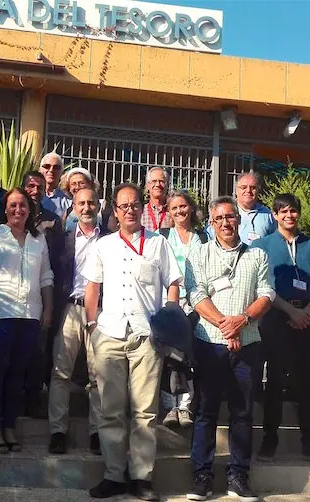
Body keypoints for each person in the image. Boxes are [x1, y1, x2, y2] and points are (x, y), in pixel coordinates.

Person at [83, 183, 182, 501]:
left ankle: (141, 477)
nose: (130, 210)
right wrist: (92, 324)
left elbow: (173, 283)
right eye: (123, 206)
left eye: (135, 204)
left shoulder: (158, 244)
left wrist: (169, 317)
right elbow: (92, 288)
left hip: (146, 337)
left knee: (145, 413)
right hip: (110, 334)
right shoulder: (104, 245)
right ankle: (114, 475)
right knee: (110, 411)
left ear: (142, 208)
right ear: (115, 211)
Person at [184, 195, 274, 502]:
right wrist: (227, 324)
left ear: (238, 219)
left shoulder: (257, 255)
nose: (225, 223)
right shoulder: (200, 253)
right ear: (211, 223)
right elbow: (196, 294)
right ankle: (201, 476)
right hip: (210, 343)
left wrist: (244, 320)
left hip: (247, 345)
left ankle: (238, 475)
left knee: (243, 412)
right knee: (206, 411)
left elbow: (267, 294)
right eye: (219, 218)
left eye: (230, 217)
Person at [254, 194, 310, 465]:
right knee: (275, 381)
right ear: (275, 215)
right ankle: (269, 441)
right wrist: (291, 312)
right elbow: (262, 286)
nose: (289, 215)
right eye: (284, 211)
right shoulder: (261, 246)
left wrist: (307, 313)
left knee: (308, 382)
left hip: (307, 319)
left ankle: (309, 442)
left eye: (294, 211)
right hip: (275, 318)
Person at [0, 188, 55, 454]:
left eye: (22, 205)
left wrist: (47, 310)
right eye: (12, 205)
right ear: (5, 208)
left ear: (30, 210)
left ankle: (9, 426)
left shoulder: (38, 240)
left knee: (18, 373)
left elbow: (46, 277)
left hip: (29, 315)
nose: (17, 210)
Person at [47, 188, 107, 455]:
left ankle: (97, 432)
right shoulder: (63, 239)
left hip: (101, 312)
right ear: (73, 206)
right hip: (70, 309)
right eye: (81, 203)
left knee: (99, 375)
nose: (86, 207)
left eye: (91, 203)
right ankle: (58, 431)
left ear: (98, 206)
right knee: (61, 372)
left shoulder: (109, 240)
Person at [158, 191, 207, 429]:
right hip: (171, 301)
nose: (179, 211)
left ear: (191, 208)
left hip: (198, 303)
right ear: (169, 212)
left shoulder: (204, 238)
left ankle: (186, 405)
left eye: (183, 206)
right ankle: (169, 406)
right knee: (170, 356)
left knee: (190, 356)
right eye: (174, 208)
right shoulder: (162, 236)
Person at [21, 170, 65, 417]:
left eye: (39, 187)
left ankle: (33, 398)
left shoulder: (52, 220)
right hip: (16, 292)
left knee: (39, 349)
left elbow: (58, 259)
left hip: (43, 292)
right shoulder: (14, 214)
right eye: (30, 186)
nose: (35, 191)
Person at [207, 171, 275, 247]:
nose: (248, 191)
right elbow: (209, 238)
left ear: (258, 190)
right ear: (236, 190)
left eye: (253, 188)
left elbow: (274, 241)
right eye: (244, 187)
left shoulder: (267, 214)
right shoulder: (225, 211)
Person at [39, 152, 71, 219]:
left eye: (56, 167)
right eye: (46, 166)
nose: (51, 170)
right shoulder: (31, 196)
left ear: (62, 172)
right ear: (40, 170)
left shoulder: (68, 201)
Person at [141, 167, 172, 232]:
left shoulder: (173, 211)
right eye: (154, 181)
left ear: (167, 185)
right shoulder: (140, 212)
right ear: (147, 185)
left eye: (162, 181)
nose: (158, 184)